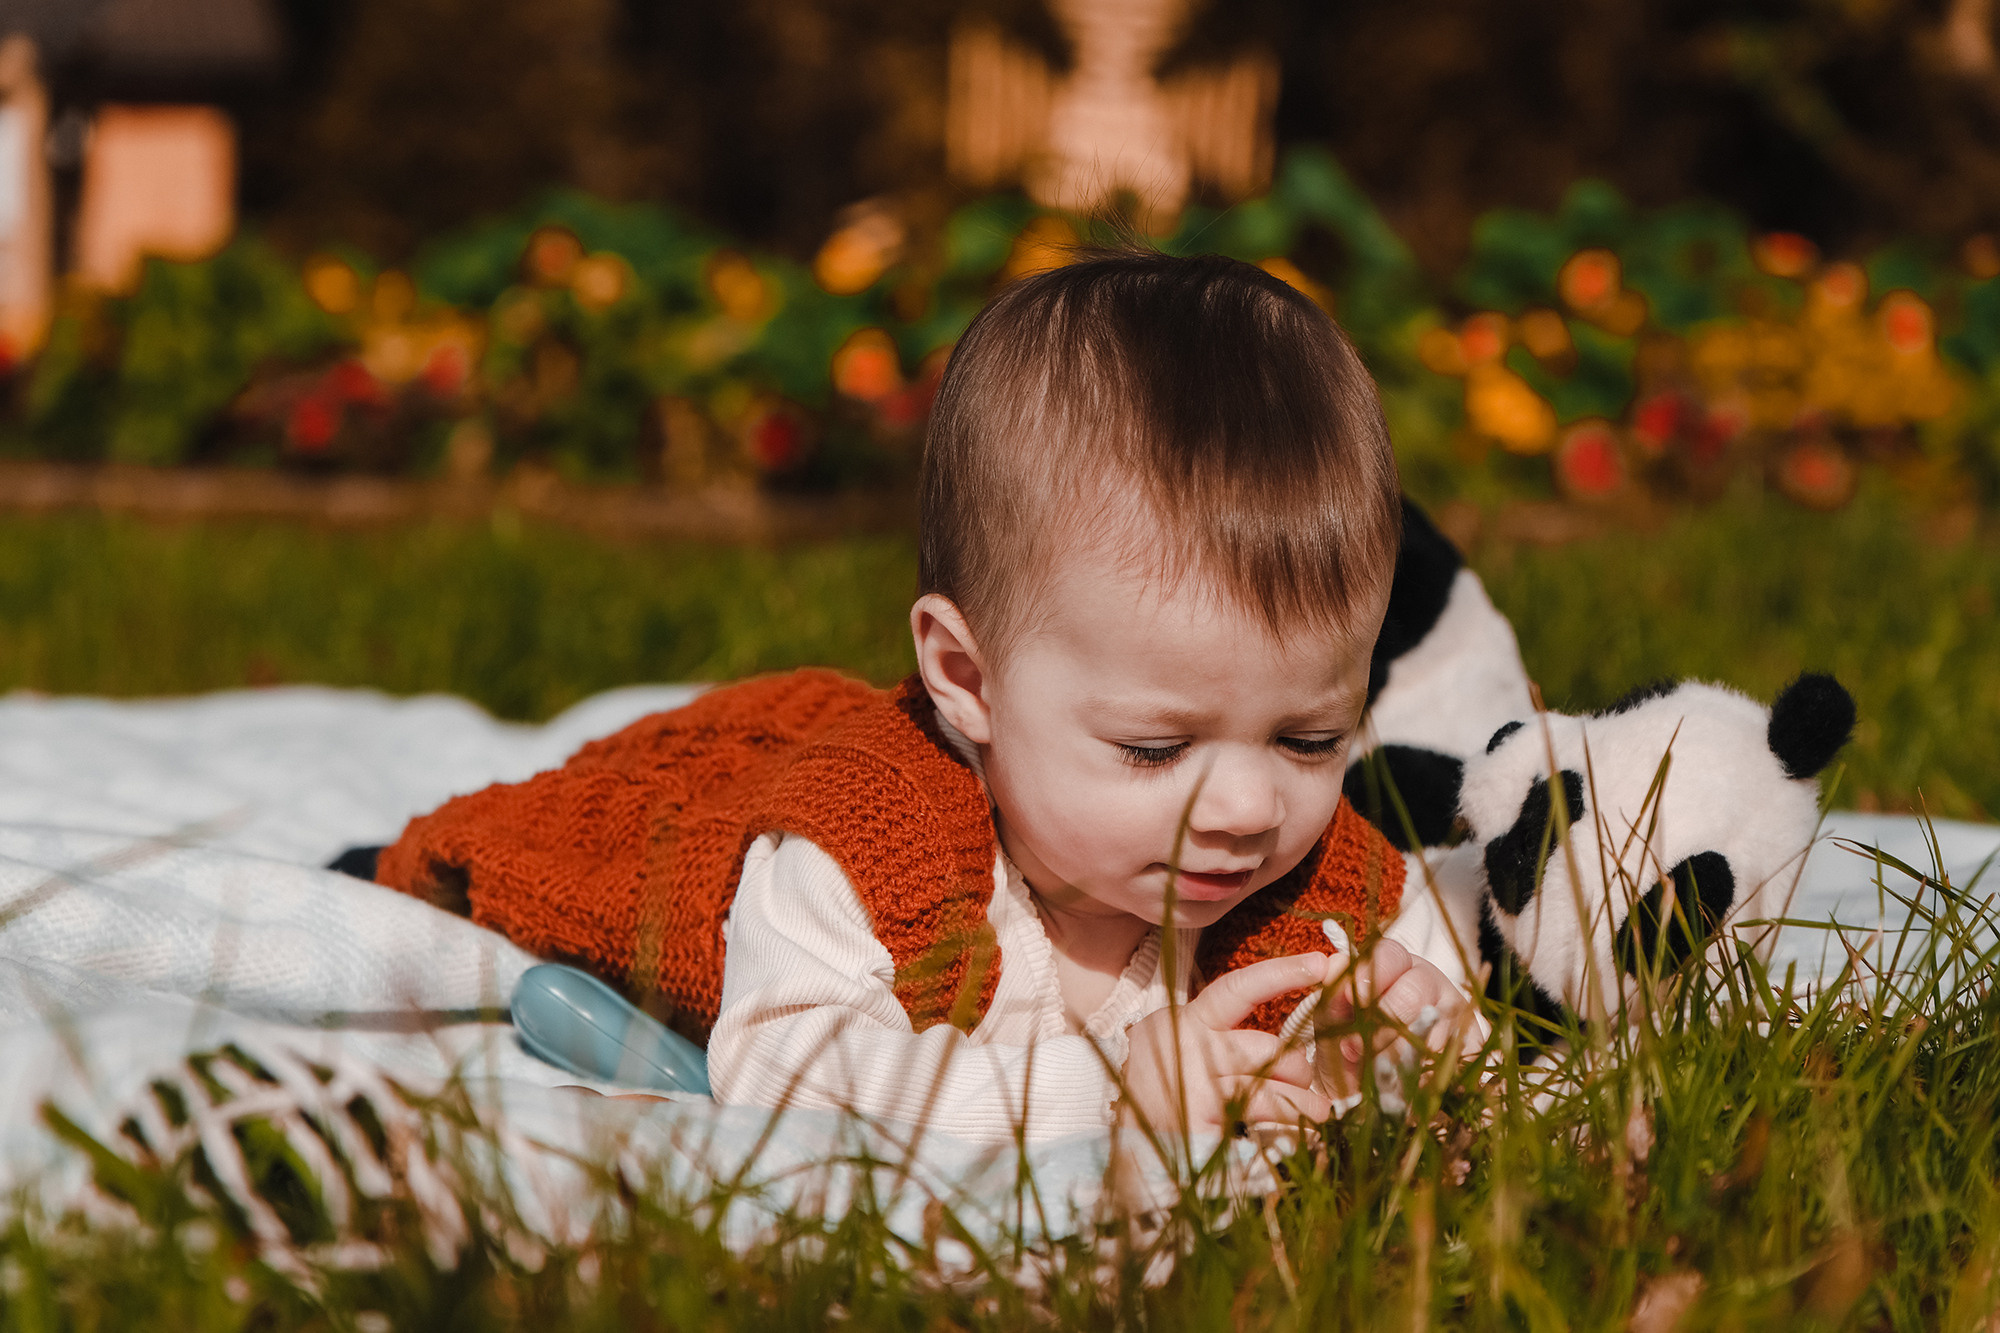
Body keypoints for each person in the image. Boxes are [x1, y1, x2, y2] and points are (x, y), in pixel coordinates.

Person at [376, 249, 1481, 1144]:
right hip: (679, 834)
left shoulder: (1316, 876)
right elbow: (785, 1066)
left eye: (1307, 736)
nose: (1246, 806)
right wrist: (1106, 1092)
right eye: (1154, 748)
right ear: (965, 678)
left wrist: (1401, 1048)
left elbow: (1454, 1041)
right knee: (532, 852)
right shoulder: (867, 847)